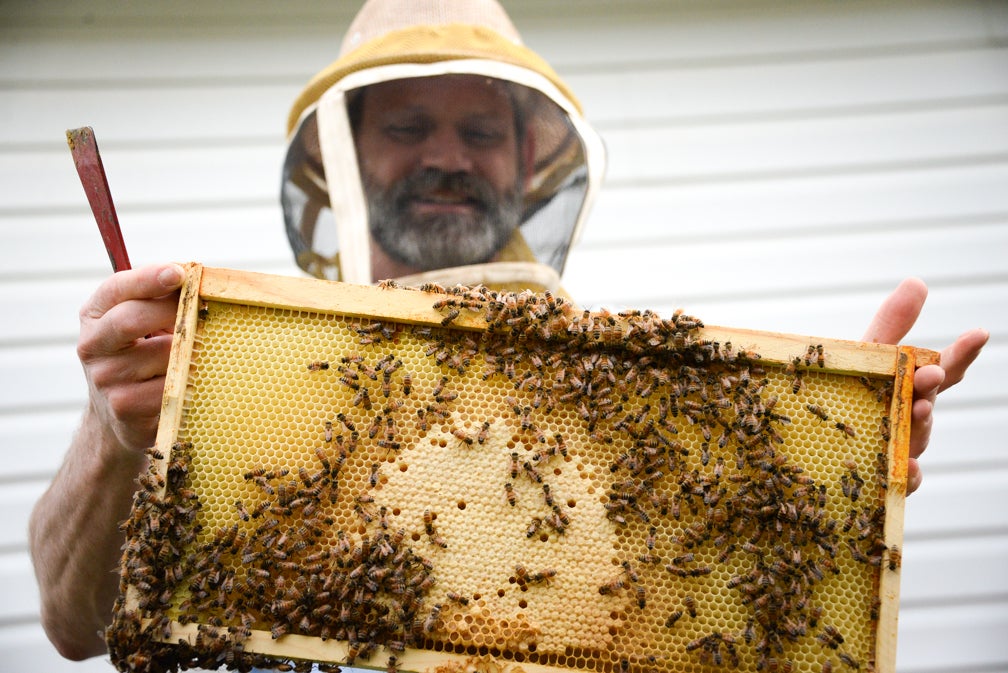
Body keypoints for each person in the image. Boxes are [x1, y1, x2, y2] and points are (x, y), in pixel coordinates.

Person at [28, 0, 989, 663]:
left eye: (480, 131)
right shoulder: (237, 380)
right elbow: (73, 624)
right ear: (346, 162)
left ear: (529, 161)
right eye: (408, 125)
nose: (447, 156)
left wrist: (831, 468)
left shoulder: (631, 398)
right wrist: (115, 436)